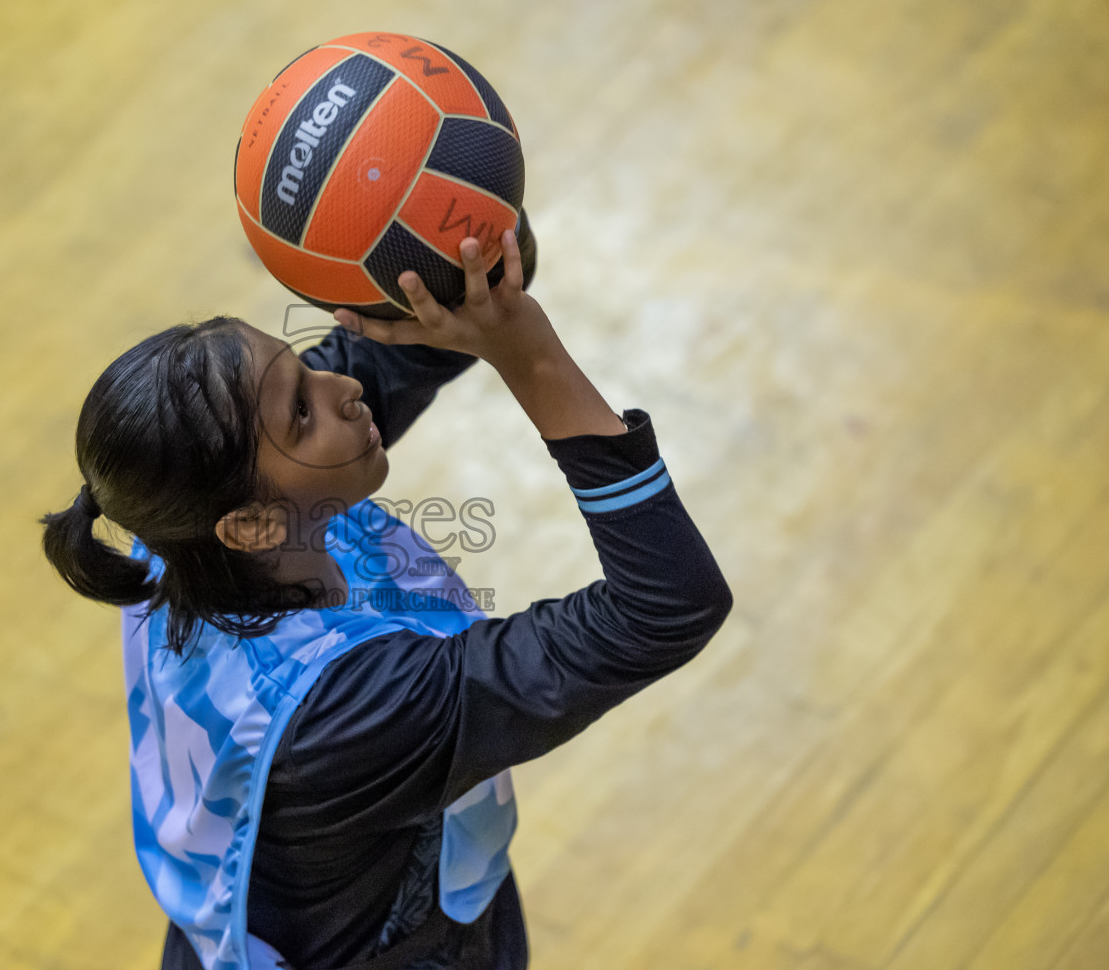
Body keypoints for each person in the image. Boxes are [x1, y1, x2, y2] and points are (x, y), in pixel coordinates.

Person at [41, 224, 733, 970]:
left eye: (304, 370)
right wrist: (531, 359)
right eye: (301, 411)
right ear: (251, 523)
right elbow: (668, 605)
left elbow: (442, 325)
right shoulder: (354, 712)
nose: (340, 389)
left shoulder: (178, 536)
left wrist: (462, 230)